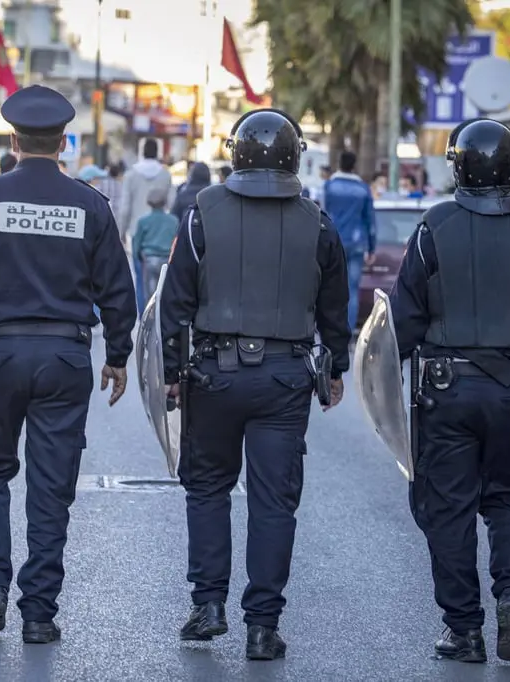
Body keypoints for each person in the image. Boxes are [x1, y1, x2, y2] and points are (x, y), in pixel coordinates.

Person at [0, 84, 137, 645]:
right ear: (64, 142)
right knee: (51, 488)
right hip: (66, 358)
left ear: (14, 139)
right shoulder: (91, 205)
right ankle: (40, 612)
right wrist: (117, 356)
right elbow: (120, 292)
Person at [388, 118, 510, 664]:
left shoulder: (434, 227)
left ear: (457, 166)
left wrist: (384, 377)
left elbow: (403, 320)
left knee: (448, 509)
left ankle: (464, 629)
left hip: (445, 392)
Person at [158, 108, 350, 661]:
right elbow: (334, 306)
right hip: (286, 379)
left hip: (213, 375)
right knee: (274, 503)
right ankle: (262, 626)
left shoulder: (201, 212)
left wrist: (172, 374)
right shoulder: (317, 221)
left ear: (235, 154)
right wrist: (333, 367)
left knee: (208, 488)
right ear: (294, 156)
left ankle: (208, 606)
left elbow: (176, 301)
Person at [322, 151, 376, 330]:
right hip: (357, 242)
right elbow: (370, 220)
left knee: (331, 287)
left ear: (339, 163)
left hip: (334, 241)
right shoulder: (363, 189)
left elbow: (323, 215)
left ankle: (332, 328)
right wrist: (372, 248)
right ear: (354, 166)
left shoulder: (330, 186)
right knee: (352, 289)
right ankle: (348, 328)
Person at [119, 140, 175, 313]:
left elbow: (125, 207)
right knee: (163, 282)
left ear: (142, 151)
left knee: (141, 281)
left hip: (137, 233)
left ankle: (143, 317)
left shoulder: (131, 175)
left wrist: (121, 232)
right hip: (162, 235)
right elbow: (172, 203)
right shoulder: (165, 175)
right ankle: (159, 315)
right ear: (157, 152)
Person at [132, 186, 178, 297]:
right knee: (166, 293)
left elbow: (136, 244)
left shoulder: (143, 221)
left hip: (149, 259)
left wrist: (137, 257)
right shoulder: (173, 220)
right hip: (167, 259)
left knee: (150, 295)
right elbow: (176, 241)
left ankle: (151, 314)